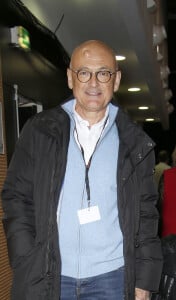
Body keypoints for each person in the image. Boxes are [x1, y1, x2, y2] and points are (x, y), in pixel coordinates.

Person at [1, 40, 162, 300]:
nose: (94, 83)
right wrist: (25, 257)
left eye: (103, 73)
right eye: (84, 73)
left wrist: (144, 281)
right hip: (49, 274)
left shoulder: (134, 142)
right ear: (70, 77)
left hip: (112, 278)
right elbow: (16, 197)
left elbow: (146, 214)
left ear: (116, 79)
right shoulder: (40, 131)